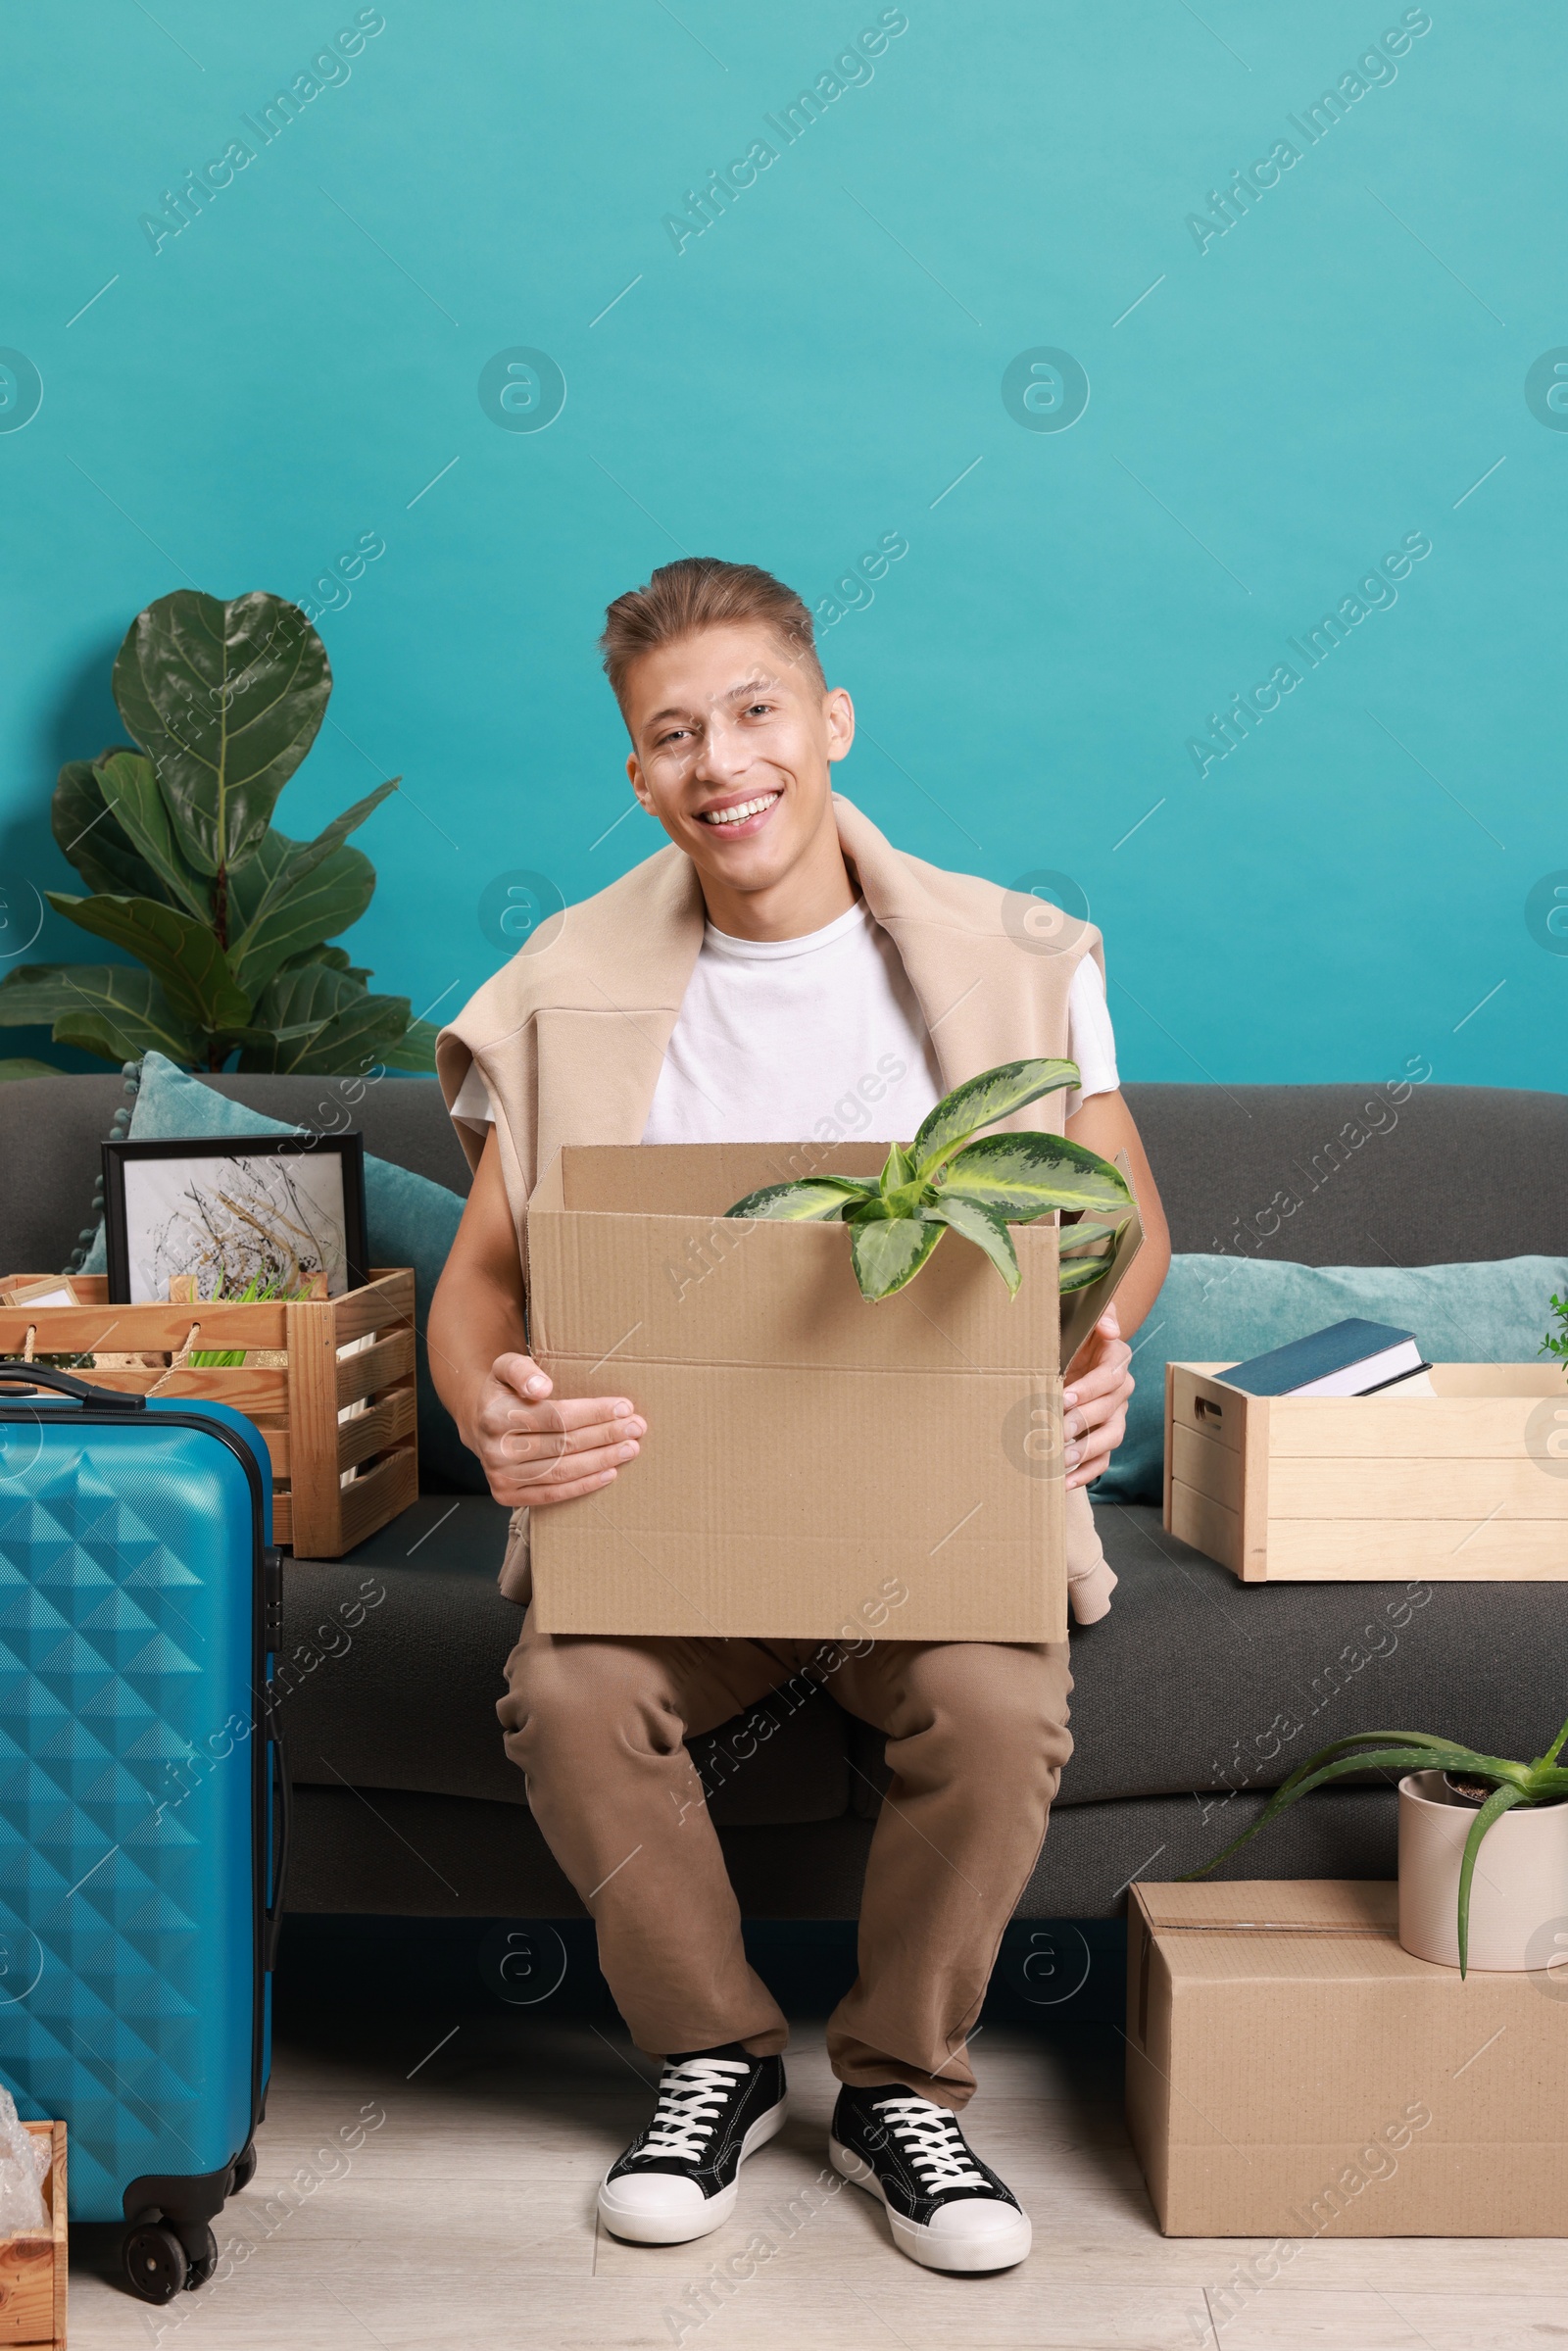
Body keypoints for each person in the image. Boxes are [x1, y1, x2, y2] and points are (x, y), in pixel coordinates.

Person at [429, 558, 1170, 2275]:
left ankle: (906, 2084)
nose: (721, 762)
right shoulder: (563, 983)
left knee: (995, 1714)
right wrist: (491, 1412)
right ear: (638, 776)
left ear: (828, 722)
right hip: (674, 1534)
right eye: (671, 735)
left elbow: (1124, 1219)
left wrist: (1098, 1349)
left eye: (755, 712)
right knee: (564, 1688)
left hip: (934, 1527)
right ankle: (715, 2058)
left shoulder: (1015, 960)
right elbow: (478, 1287)